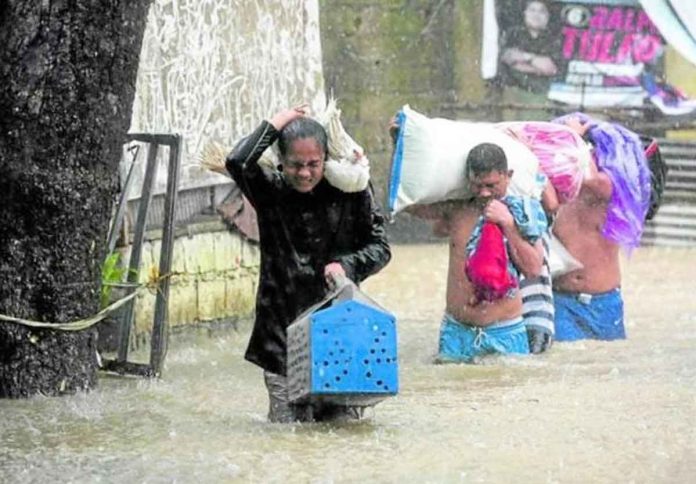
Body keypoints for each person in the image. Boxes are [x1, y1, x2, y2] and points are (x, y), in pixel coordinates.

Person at [225, 104, 391, 422]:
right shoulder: (270, 192)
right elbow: (236, 160)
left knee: (343, 433)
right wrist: (277, 122)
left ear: (325, 159)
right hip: (281, 336)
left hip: (340, 334)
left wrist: (347, 265)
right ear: (281, 163)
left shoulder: (351, 192)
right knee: (288, 436)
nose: (304, 173)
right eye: (295, 165)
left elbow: (381, 248)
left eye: (313, 164)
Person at [406, 143, 546, 363]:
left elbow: (534, 268)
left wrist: (507, 224)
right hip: (457, 330)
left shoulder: (523, 212)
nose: (484, 192)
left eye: (491, 185)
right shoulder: (455, 210)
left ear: (508, 176)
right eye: (477, 185)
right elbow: (407, 202)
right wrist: (400, 143)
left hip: (505, 331)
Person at [551, 118, 625, 342]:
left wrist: (574, 138)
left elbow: (590, 178)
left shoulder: (608, 187)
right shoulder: (553, 190)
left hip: (604, 302)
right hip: (561, 301)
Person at [520, 178, 558, 353]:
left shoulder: (536, 215)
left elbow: (551, 204)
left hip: (536, 313)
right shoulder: (490, 211)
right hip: (502, 320)